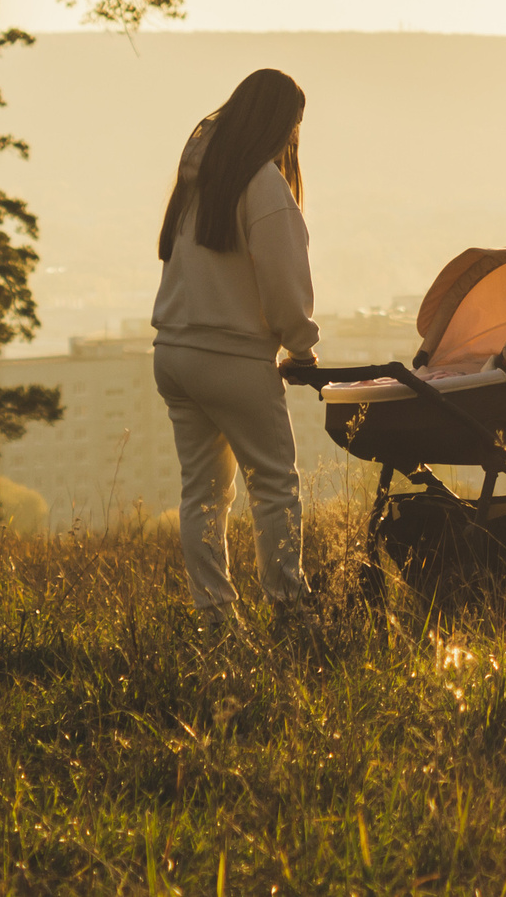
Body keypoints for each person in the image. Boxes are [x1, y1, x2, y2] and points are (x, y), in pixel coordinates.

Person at [151, 68, 320, 615]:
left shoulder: (197, 178)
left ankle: (216, 619)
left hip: (173, 352)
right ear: (278, 123)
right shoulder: (262, 184)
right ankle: (290, 609)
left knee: (202, 493)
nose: (293, 137)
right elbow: (284, 281)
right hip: (233, 357)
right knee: (273, 485)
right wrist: (301, 349)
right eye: (293, 125)